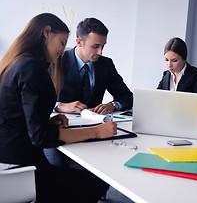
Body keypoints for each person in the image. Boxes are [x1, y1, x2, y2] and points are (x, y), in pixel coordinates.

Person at [0, 13, 116, 202]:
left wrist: (49, 122)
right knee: (97, 183)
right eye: (62, 43)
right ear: (46, 32)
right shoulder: (30, 67)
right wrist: (96, 132)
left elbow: (17, 117)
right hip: (19, 170)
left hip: (11, 159)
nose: (63, 51)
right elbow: (41, 138)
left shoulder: (17, 62)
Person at [55, 17, 133, 114]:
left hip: (97, 125)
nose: (100, 52)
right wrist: (59, 106)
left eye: (103, 45)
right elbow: (37, 99)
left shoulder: (106, 64)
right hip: (64, 124)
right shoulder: (56, 61)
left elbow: (127, 97)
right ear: (79, 42)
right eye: (95, 46)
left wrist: (113, 105)